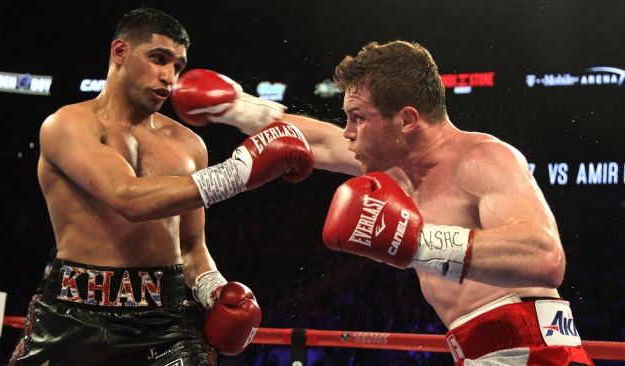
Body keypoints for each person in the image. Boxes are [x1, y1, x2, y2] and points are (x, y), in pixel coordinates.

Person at [181, 41, 594, 365]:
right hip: (481, 351)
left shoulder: (482, 158)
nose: (347, 132)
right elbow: (318, 139)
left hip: (539, 353)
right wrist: (235, 107)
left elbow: (545, 256)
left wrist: (416, 242)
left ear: (408, 120)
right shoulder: (399, 169)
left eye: (357, 117)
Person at [9, 7, 313, 366]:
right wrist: (238, 173)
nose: (169, 77)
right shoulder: (67, 125)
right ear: (119, 52)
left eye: (178, 66)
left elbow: (189, 248)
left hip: (165, 323)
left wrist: (212, 289)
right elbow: (127, 197)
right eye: (158, 59)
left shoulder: (189, 146)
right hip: (73, 317)